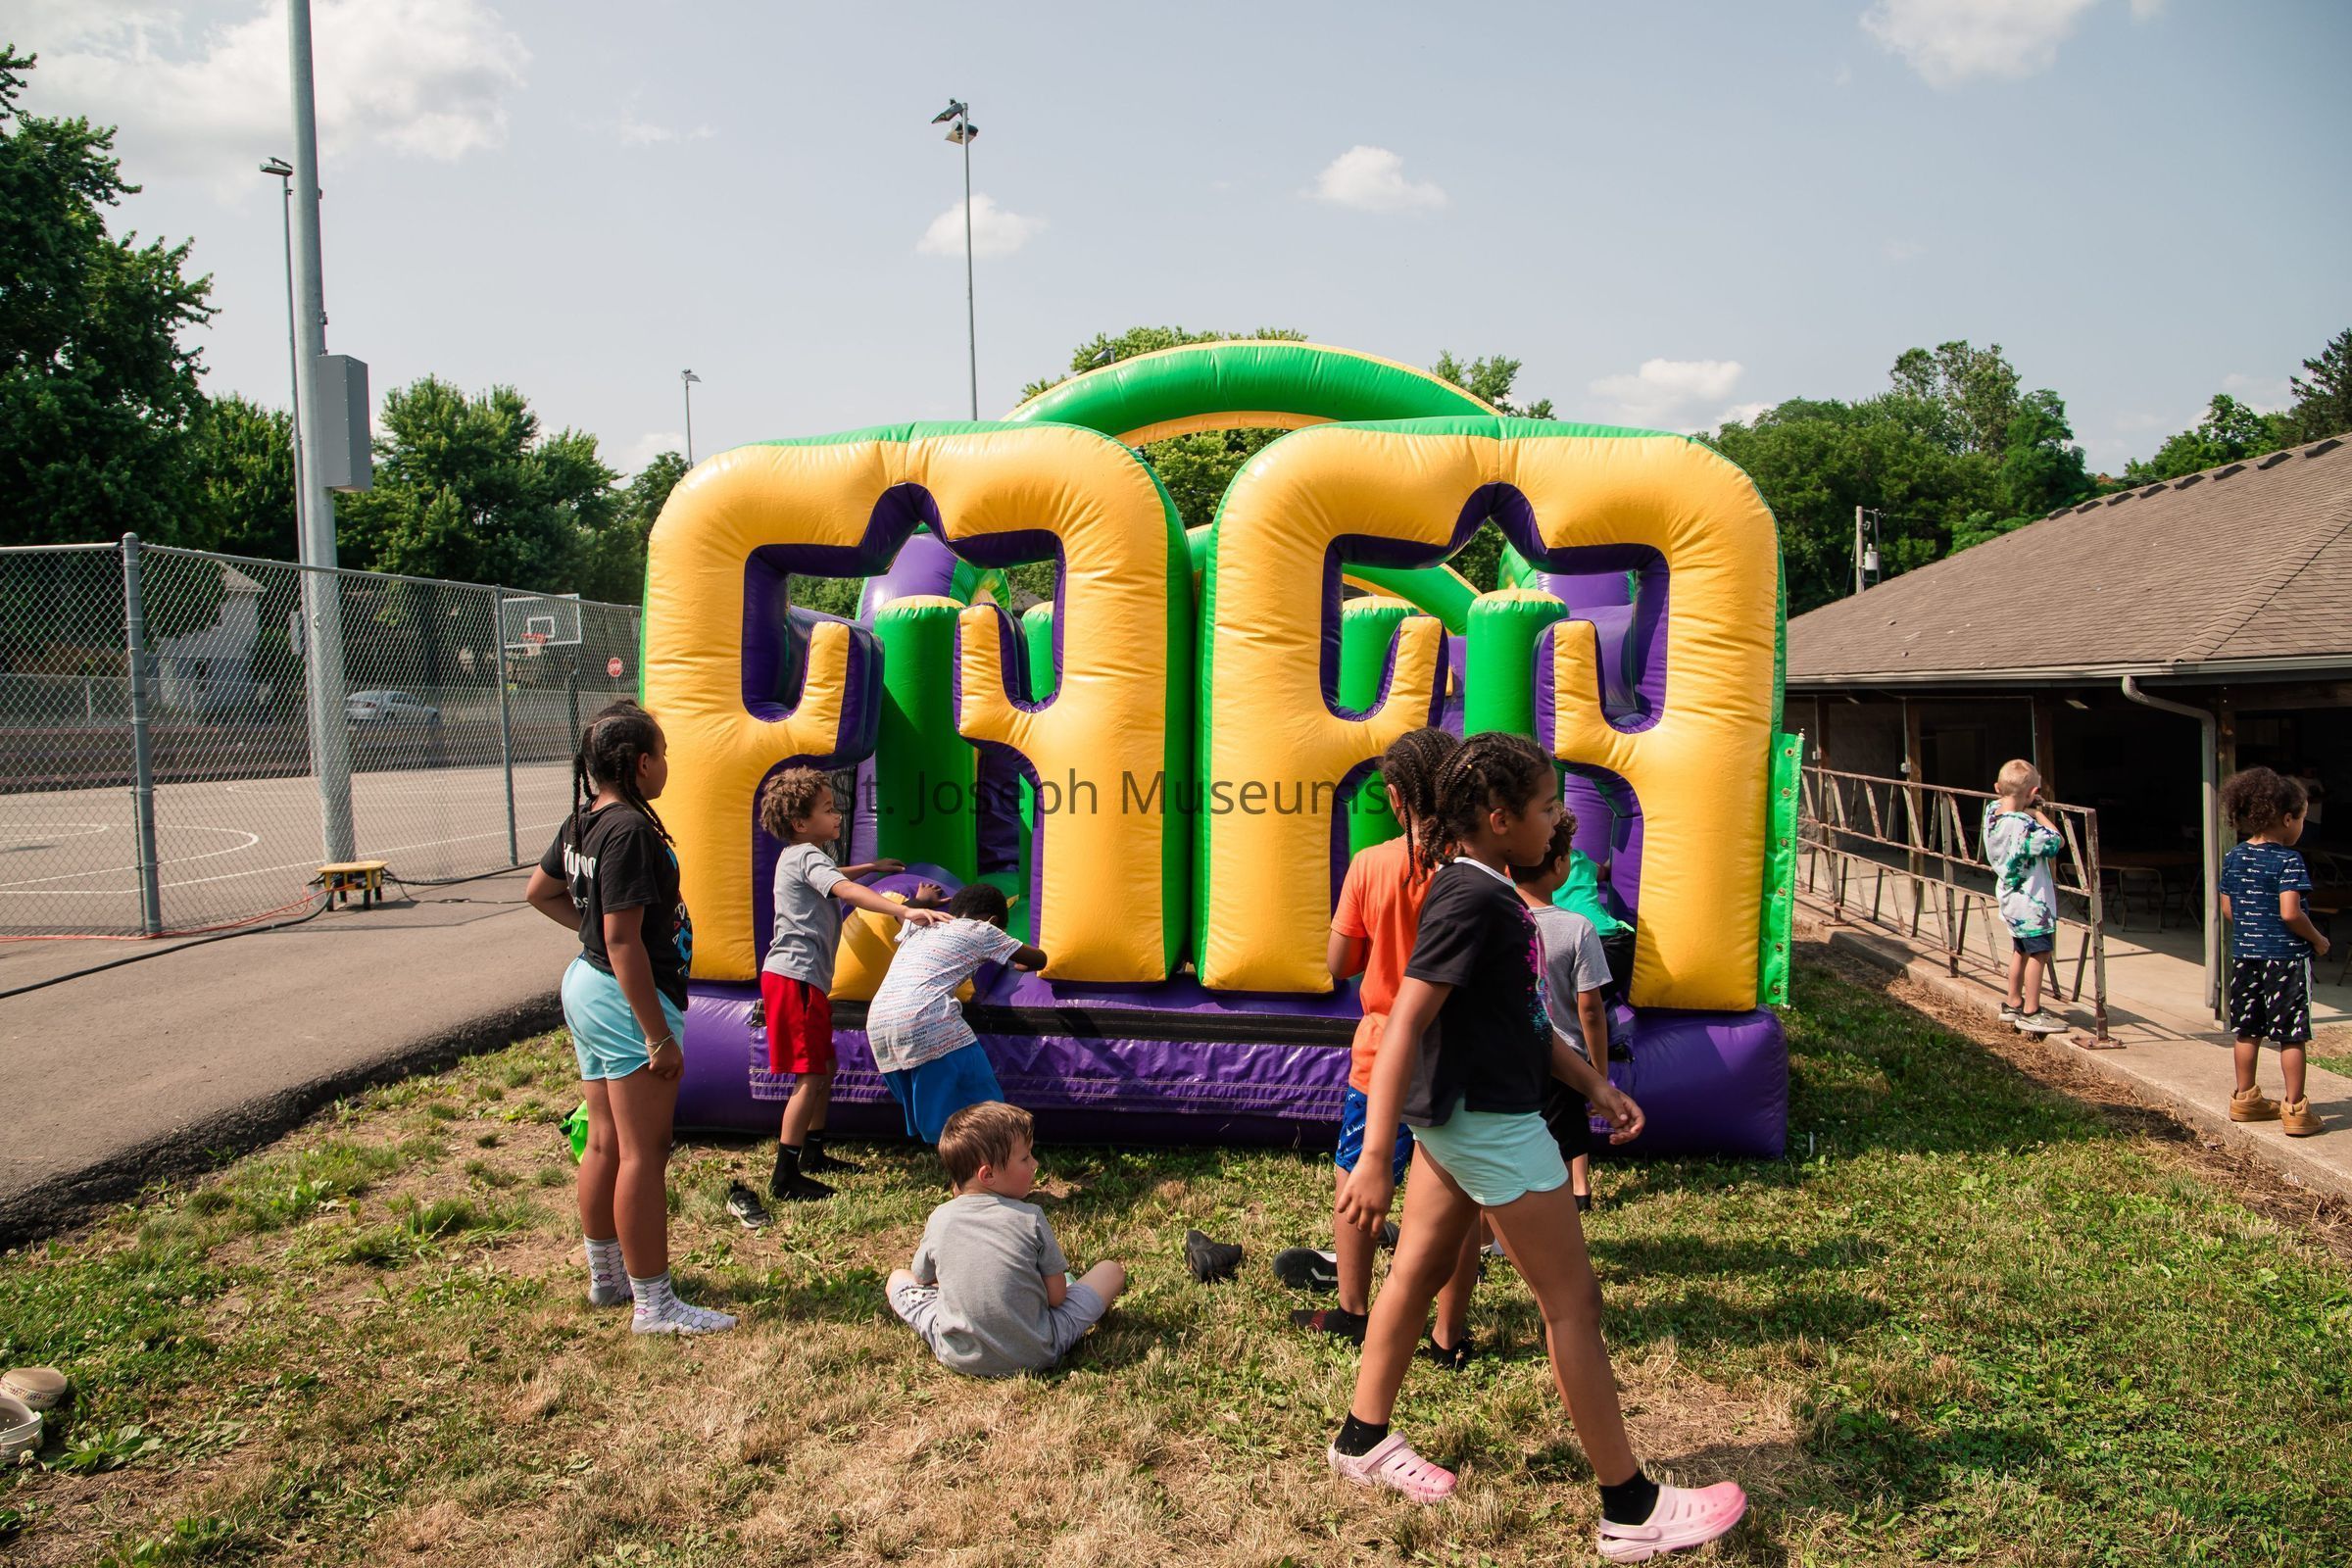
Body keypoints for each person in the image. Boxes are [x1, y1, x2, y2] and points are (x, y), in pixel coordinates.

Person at [1327, 731, 1744, 1561]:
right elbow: (1405, 1020)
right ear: (1498, 817)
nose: (1557, 822)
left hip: (1459, 1117)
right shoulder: (1471, 898)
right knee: (1573, 1304)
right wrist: (1373, 1156)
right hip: (1489, 1123)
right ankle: (1630, 1507)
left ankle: (1360, 1439)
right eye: (1548, 807)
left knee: (1415, 1272)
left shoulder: (1487, 891)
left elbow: (1521, 1021)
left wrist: (1593, 1085)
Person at [523, 702, 736, 1335]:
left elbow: (541, 891)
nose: (667, 765)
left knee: (606, 1141)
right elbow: (622, 942)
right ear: (642, 764)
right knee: (645, 1151)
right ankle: (655, 1304)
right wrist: (656, 1035)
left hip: (589, 987)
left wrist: (589, 932)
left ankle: (608, 1279)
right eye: (663, 755)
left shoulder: (584, 819)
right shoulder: (630, 831)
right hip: (623, 1000)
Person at [1282, 728, 1484, 1366]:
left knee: (1358, 1174)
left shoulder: (1372, 864)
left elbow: (1339, 962)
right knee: (1458, 1196)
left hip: (1381, 1054)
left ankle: (1353, 1310)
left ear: (1396, 797)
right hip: (1461, 1054)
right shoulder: (1480, 867)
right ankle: (1448, 1335)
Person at [757, 766, 948, 1203]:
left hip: (801, 979)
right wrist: (903, 910)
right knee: (810, 1075)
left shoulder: (798, 855)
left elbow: (834, 872)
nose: (837, 814)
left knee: (824, 1067)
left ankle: (813, 1152)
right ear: (800, 823)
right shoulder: (807, 856)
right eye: (827, 809)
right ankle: (785, 1173)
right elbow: (842, 888)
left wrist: (871, 867)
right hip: (795, 978)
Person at [886, 1102, 1127, 1377]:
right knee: (1111, 1271)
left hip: (957, 1353)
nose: (1035, 1164)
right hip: (1037, 1351)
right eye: (1025, 1158)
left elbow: (921, 1278)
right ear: (988, 1174)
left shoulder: (940, 1217)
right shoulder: (1030, 1217)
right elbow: (1057, 1298)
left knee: (897, 1279)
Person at [1513, 815, 1645, 1211]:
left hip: (1511, 1060)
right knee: (1567, 1139)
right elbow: (1590, 1011)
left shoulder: (1497, 918)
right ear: (1559, 865)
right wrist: (1598, 1076)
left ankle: (1504, 1224)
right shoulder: (1577, 928)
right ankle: (1576, 1191)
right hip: (1566, 1059)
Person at [867, 882, 1048, 1143]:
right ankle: (996, 1161)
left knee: (942, 1123)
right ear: (994, 920)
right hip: (929, 1019)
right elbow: (1039, 959)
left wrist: (922, 900)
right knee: (987, 1113)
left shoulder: (922, 924)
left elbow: (901, 913)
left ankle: (959, 1164)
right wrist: (1018, 961)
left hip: (879, 1025)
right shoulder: (983, 930)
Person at [2220, 766, 2329, 1137]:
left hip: (2245, 955)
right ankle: (2295, 1110)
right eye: (2301, 819)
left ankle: (2245, 1099)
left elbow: (2228, 910)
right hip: (2285, 958)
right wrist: (2318, 939)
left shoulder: (2234, 856)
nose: (2301, 826)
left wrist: (2253, 929)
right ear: (2286, 819)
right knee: (2292, 1034)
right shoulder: (2288, 860)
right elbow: (2290, 913)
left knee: (2247, 1029)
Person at [1982, 760, 2068, 1036]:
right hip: (2032, 903)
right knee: (2039, 953)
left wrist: (2023, 805)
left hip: (2010, 896)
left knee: (2020, 949)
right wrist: (2037, 814)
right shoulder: (2025, 826)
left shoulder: (1992, 813)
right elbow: (2056, 841)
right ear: (2033, 792)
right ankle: (2031, 1011)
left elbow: (2005, 804)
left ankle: (2013, 1002)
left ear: (1997, 788)